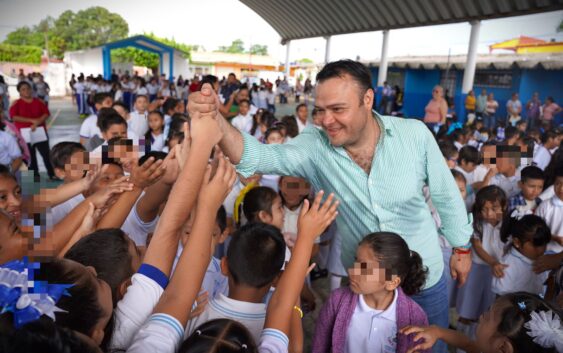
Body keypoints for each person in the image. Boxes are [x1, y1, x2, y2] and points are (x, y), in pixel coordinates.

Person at [189, 60, 473, 352]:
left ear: (367, 99)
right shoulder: (315, 145)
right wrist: (215, 118)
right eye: (320, 111)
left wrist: (461, 247)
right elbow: (256, 156)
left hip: (423, 280)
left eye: (338, 109)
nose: (326, 121)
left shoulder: (414, 135)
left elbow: (446, 194)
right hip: (362, 285)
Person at [313, 232, 430, 353]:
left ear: (392, 282)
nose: (352, 271)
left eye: (364, 268)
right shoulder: (337, 300)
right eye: (356, 261)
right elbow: (319, 345)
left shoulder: (415, 317)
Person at [400, 292, 563, 353]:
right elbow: (469, 344)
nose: (481, 316)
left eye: (488, 315)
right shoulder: (488, 348)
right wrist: (438, 331)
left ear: (503, 347)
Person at [455, 186, 507, 341]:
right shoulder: (477, 222)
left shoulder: (509, 223)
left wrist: (495, 265)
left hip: (497, 271)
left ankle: (478, 343)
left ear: (504, 206)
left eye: (494, 208)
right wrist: (492, 262)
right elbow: (477, 246)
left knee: (486, 310)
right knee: (468, 308)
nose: (489, 214)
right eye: (484, 209)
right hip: (478, 268)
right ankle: (461, 344)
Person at [492, 214, 550, 296]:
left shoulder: (543, 261)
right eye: (535, 245)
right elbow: (503, 300)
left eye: (544, 244)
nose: (541, 250)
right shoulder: (507, 266)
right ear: (517, 242)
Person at [8, 81, 55, 179]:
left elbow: (46, 113)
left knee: (46, 154)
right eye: (23, 89)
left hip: (40, 132)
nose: (26, 91)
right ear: (19, 92)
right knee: (29, 156)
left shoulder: (39, 101)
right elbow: (14, 117)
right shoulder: (16, 104)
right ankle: (34, 176)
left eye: (28, 88)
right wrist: (32, 120)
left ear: (31, 89)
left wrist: (37, 122)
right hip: (24, 134)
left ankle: (52, 174)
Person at [536, 166, 563, 253]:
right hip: (546, 253)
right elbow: (534, 230)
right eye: (558, 183)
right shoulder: (545, 206)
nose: (561, 189)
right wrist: (554, 238)